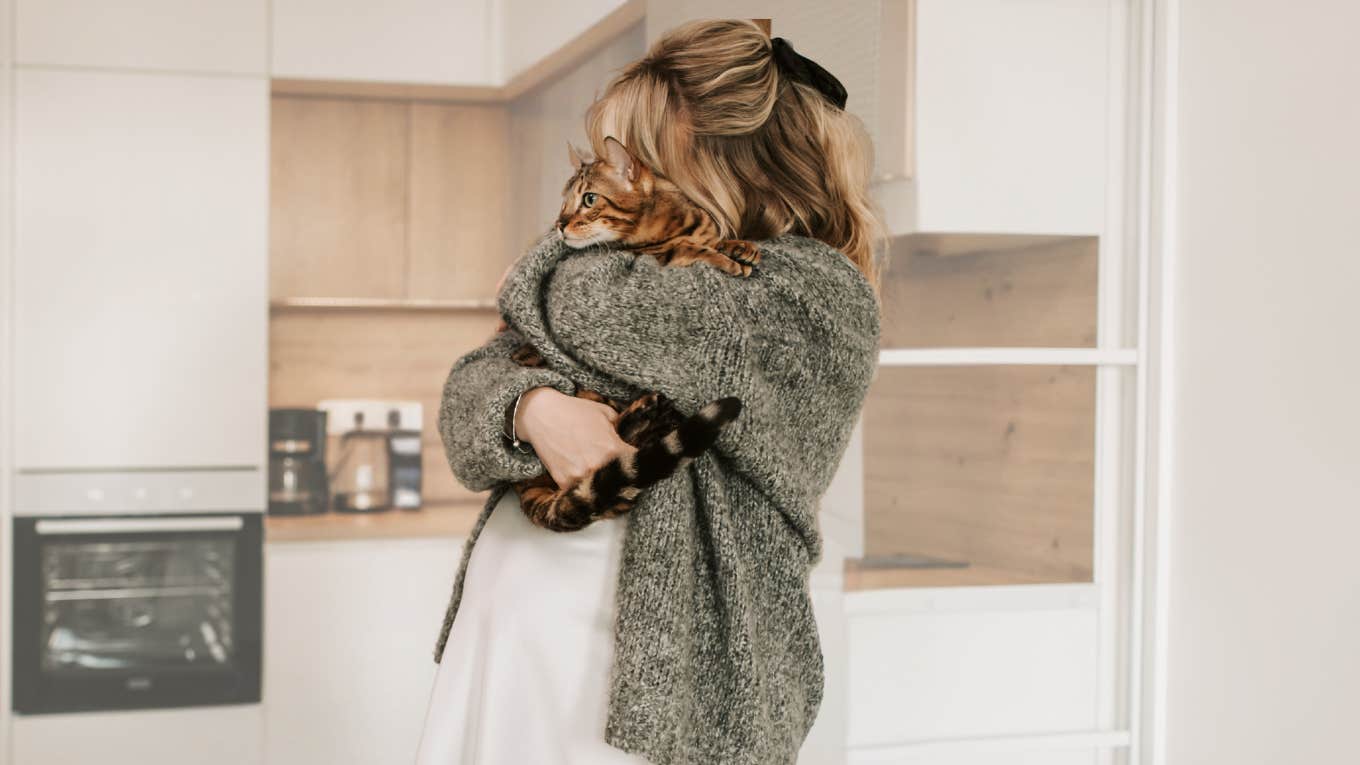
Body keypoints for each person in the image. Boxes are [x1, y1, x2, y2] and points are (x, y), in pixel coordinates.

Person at [416, 19, 883, 765]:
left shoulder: (813, 293)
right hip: (510, 658)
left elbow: (600, 308)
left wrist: (531, 274)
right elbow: (466, 398)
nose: (612, 180)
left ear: (720, 162)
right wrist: (533, 407)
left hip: (654, 694)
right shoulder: (632, 261)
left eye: (634, 162)